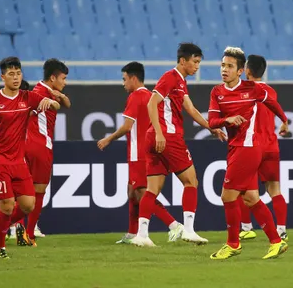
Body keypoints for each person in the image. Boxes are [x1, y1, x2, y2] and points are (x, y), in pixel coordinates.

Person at [131, 43, 226, 247]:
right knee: (191, 181)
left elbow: (190, 109)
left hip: (157, 137)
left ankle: (142, 235)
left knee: (152, 189)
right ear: (183, 61)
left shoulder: (180, 82)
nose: (197, 66)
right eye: (195, 62)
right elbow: (151, 103)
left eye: (199, 62)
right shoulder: (170, 77)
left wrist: (211, 127)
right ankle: (189, 230)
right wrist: (159, 132)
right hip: (168, 136)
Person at [207, 47, 290, 260]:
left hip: (249, 148)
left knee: (227, 195)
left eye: (230, 66)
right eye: (223, 65)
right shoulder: (217, 92)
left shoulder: (252, 89)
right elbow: (212, 121)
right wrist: (227, 120)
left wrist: (284, 119)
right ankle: (276, 241)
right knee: (252, 197)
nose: (224, 69)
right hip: (235, 147)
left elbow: (270, 102)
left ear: (241, 71)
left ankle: (233, 243)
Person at [0, 57, 60, 259]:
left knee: (28, 205)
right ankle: (0, 248)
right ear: (3, 76)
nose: (15, 77)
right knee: (6, 205)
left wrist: (50, 102)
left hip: (19, 162)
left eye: (18, 73)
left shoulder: (28, 97)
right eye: (11, 74)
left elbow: (56, 107)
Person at [97, 62, 184, 244]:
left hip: (139, 153)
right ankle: (131, 234)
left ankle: (174, 225)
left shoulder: (136, 97)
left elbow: (127, 127)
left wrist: (108, 139)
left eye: (124, 79)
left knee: (142, 194)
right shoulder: (151, 96)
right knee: (132, 193)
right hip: (146, 151)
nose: (123, 84)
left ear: (133, 78)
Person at [237, 55, 288, 241]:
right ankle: (281, 229)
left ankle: (247, 227)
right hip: (271, 146)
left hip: (252, 146)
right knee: (275, 190)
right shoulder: (271, 92)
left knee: (240, 188)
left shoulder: (244, 91)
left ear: (247, 71)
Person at [22, 59, 71, 245]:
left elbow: (67, 103)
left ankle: (15, 228)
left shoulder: (44, 90)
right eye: (63, 78)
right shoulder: (39, 95)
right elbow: (27, 112)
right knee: (38, 191)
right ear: (53, 77)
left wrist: (60, 96)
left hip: (34, 144)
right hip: (39, 145)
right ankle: (29, 233)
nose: (65, 82)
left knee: (26, 191)